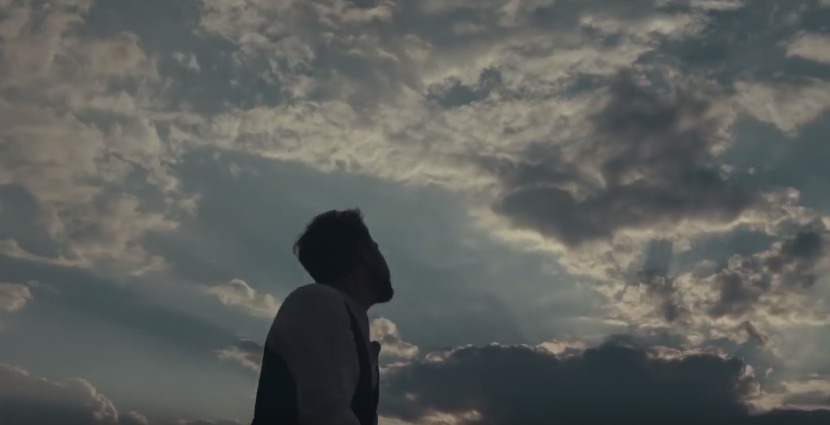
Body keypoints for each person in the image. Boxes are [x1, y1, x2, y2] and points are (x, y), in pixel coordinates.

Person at [252, 209, 394, 425]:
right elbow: (328, 415)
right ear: (363, 252)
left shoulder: (344, 321)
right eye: (376, 247)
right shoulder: (318, 301)